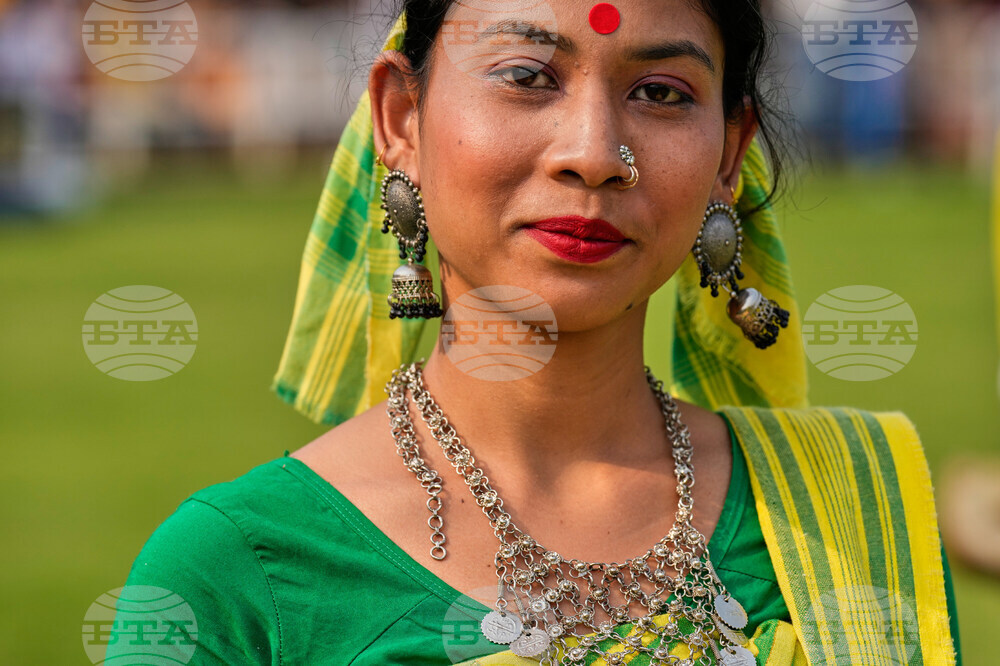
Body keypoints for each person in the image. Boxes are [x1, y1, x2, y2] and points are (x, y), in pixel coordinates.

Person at [105, 1, 961, 664]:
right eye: (527, 76)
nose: (593, 153)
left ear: (729, 155)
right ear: (401, 117)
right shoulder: (236, 572)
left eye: (661, 94)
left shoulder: (852, 511)